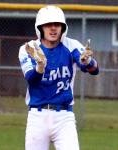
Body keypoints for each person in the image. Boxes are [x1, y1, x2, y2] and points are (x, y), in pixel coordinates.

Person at [18, 5, 99, 150]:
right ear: (40, 27)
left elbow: (94, 70)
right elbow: (31, 79)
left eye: (57, 24)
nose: (53, 28)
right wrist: (40, 67)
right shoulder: (29, 48)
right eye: (48, 24)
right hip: (37, 116)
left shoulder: (71, 45)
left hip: (64, 117)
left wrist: (87, 61)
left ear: (63, 28)